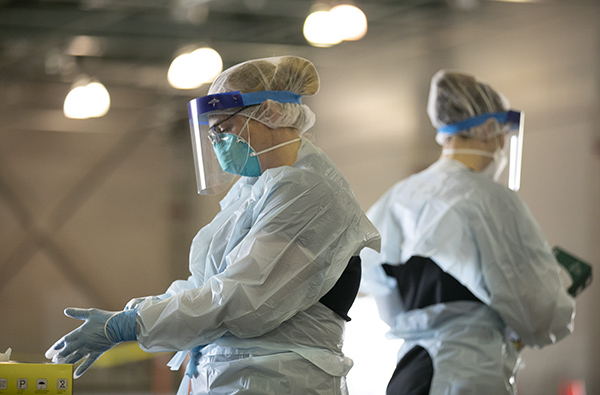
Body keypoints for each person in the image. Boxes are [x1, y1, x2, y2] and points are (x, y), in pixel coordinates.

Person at [46, 56, 380, 395]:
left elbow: (241, 300)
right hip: (232, 377)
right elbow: (205, 287)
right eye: (212, 133)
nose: (217, 142)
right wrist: (134, 314)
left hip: (276, 381)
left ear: (271, 113)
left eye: (223, 129)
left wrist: (133, 324)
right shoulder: (255, 190)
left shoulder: (308, 192)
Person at [360, 69, 575, 395]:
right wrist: (560, 286)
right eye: (502, 132)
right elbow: (540, 315)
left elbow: (378, 285)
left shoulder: (397, 197)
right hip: (468, 375)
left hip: (409, 374)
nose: (502, 143)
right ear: (489, 129)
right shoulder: (490, 200)